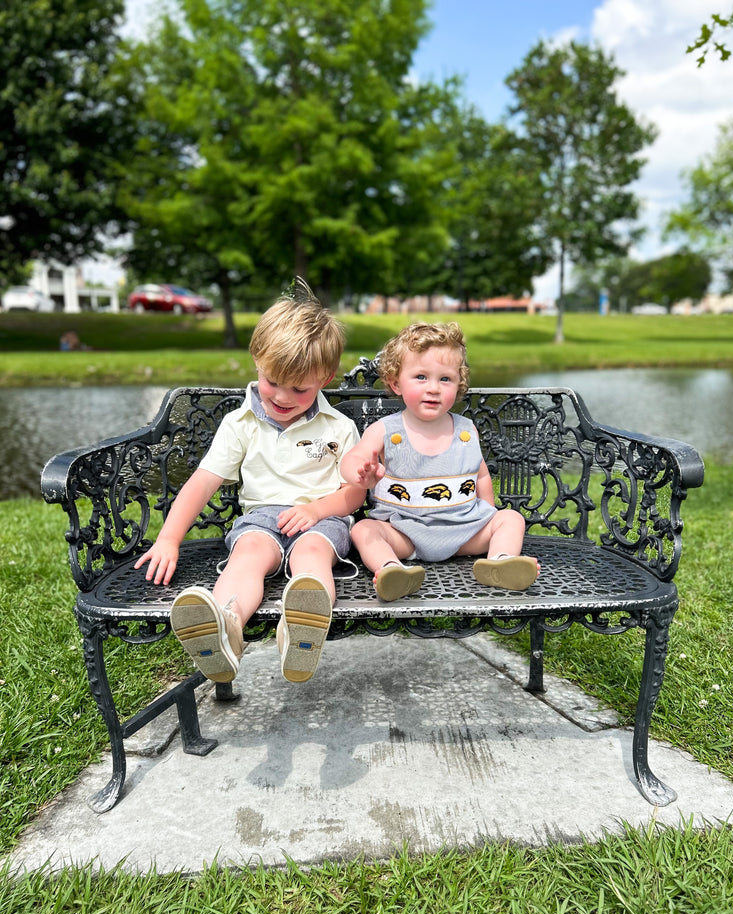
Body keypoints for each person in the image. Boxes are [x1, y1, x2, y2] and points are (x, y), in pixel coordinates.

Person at [135, 279, 367, 683]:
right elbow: (202, 483)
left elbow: (353, 495)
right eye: (272, 381)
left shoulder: (340, 427)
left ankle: (301, 632)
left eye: (299, 388)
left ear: (326, 379)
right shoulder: (239, 424)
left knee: (311, 556)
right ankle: (227, 627)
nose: (281, 396)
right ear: (257, 362)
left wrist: (316, 509)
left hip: (321, 520)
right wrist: (169, 538)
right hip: (261, 520)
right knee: (248, 556)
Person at [339, 321, 539, 602]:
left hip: (464, 532)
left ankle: (500, 561)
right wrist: (360, 471)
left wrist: (489, 512)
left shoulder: (466, 430)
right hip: (404, 532)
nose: (433, 388)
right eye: (421, 377)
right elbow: (354, 458)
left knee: (511, 518)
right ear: (396, 382)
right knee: (364, 529)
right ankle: (391, 570)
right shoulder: (386, 430)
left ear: (458, 384)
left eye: (445, 379)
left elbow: (481, 475)